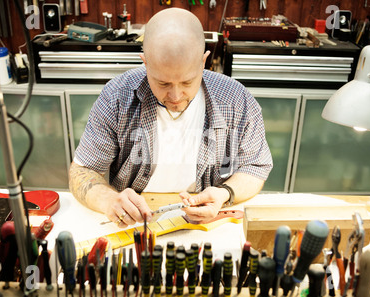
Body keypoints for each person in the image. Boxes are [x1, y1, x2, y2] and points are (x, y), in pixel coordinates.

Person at [69, 8, 273, 228]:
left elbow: (255, 167)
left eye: (187, 82)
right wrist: (109, 200)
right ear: (145, 63)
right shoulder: (117, 96)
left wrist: (225, 193)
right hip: (134, 225)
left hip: (208, 225)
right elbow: (82, 170)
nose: (176, 96)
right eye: (163, 83)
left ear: (204, 61)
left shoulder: (236, 100)